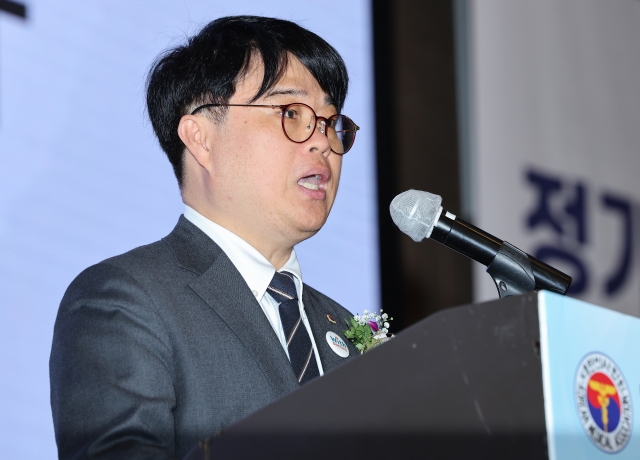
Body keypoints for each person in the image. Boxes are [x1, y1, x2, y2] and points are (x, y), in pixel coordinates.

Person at [49, 15, 361, 460]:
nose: (323, 142)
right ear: (200, 139)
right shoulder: (124, 300)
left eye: (331, 121)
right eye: (291, 113)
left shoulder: (340, 325)